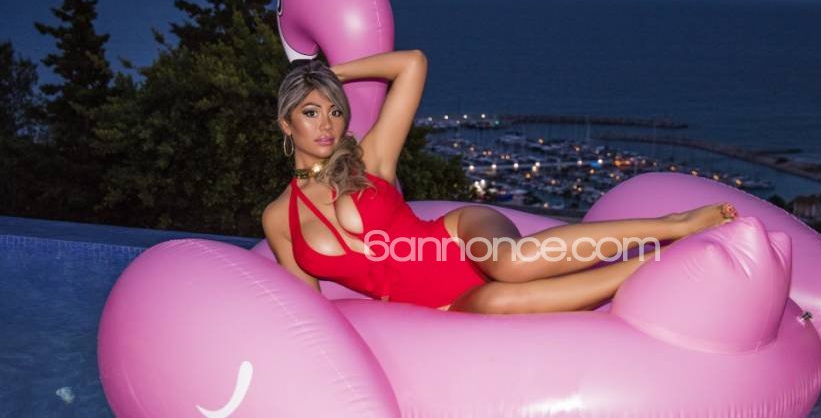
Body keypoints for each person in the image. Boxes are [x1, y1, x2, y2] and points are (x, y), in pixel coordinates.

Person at [262, 52, 737, 313]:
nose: (326, 125)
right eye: (310, 112)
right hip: (442, 303)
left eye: (335, 111)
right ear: (286, 123)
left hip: (459, 238)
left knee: (508, 265)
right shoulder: (279, 218)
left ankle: (673, 225)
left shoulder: (367, 158)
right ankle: (660, 263)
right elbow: (308, 311)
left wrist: (326, 75)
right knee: (501, 300)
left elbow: (412, 64)